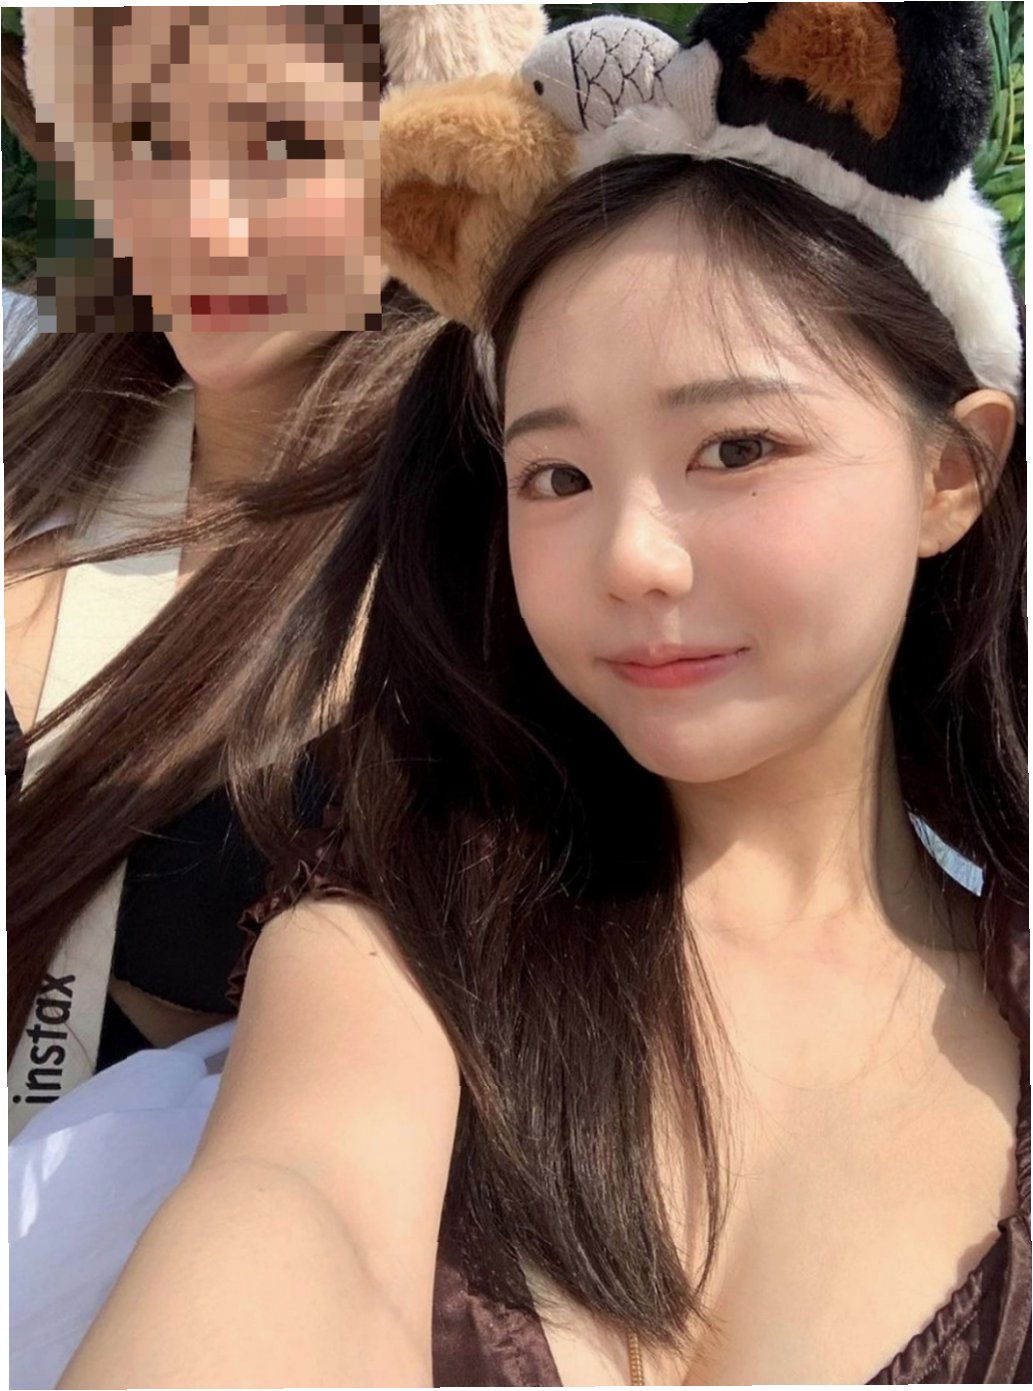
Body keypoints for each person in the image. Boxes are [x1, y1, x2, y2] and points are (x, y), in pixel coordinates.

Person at [13, 4, 1029, 1387]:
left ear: (951, 472)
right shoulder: (408, 923)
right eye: (557, 475)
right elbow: (301, 1193)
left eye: (736, 447)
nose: (632, 556)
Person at [5, 4, 549, 1116]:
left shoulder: (481, 554)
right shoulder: (35, 390)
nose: (201, 219)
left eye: (284, 145)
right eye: (147, 136)